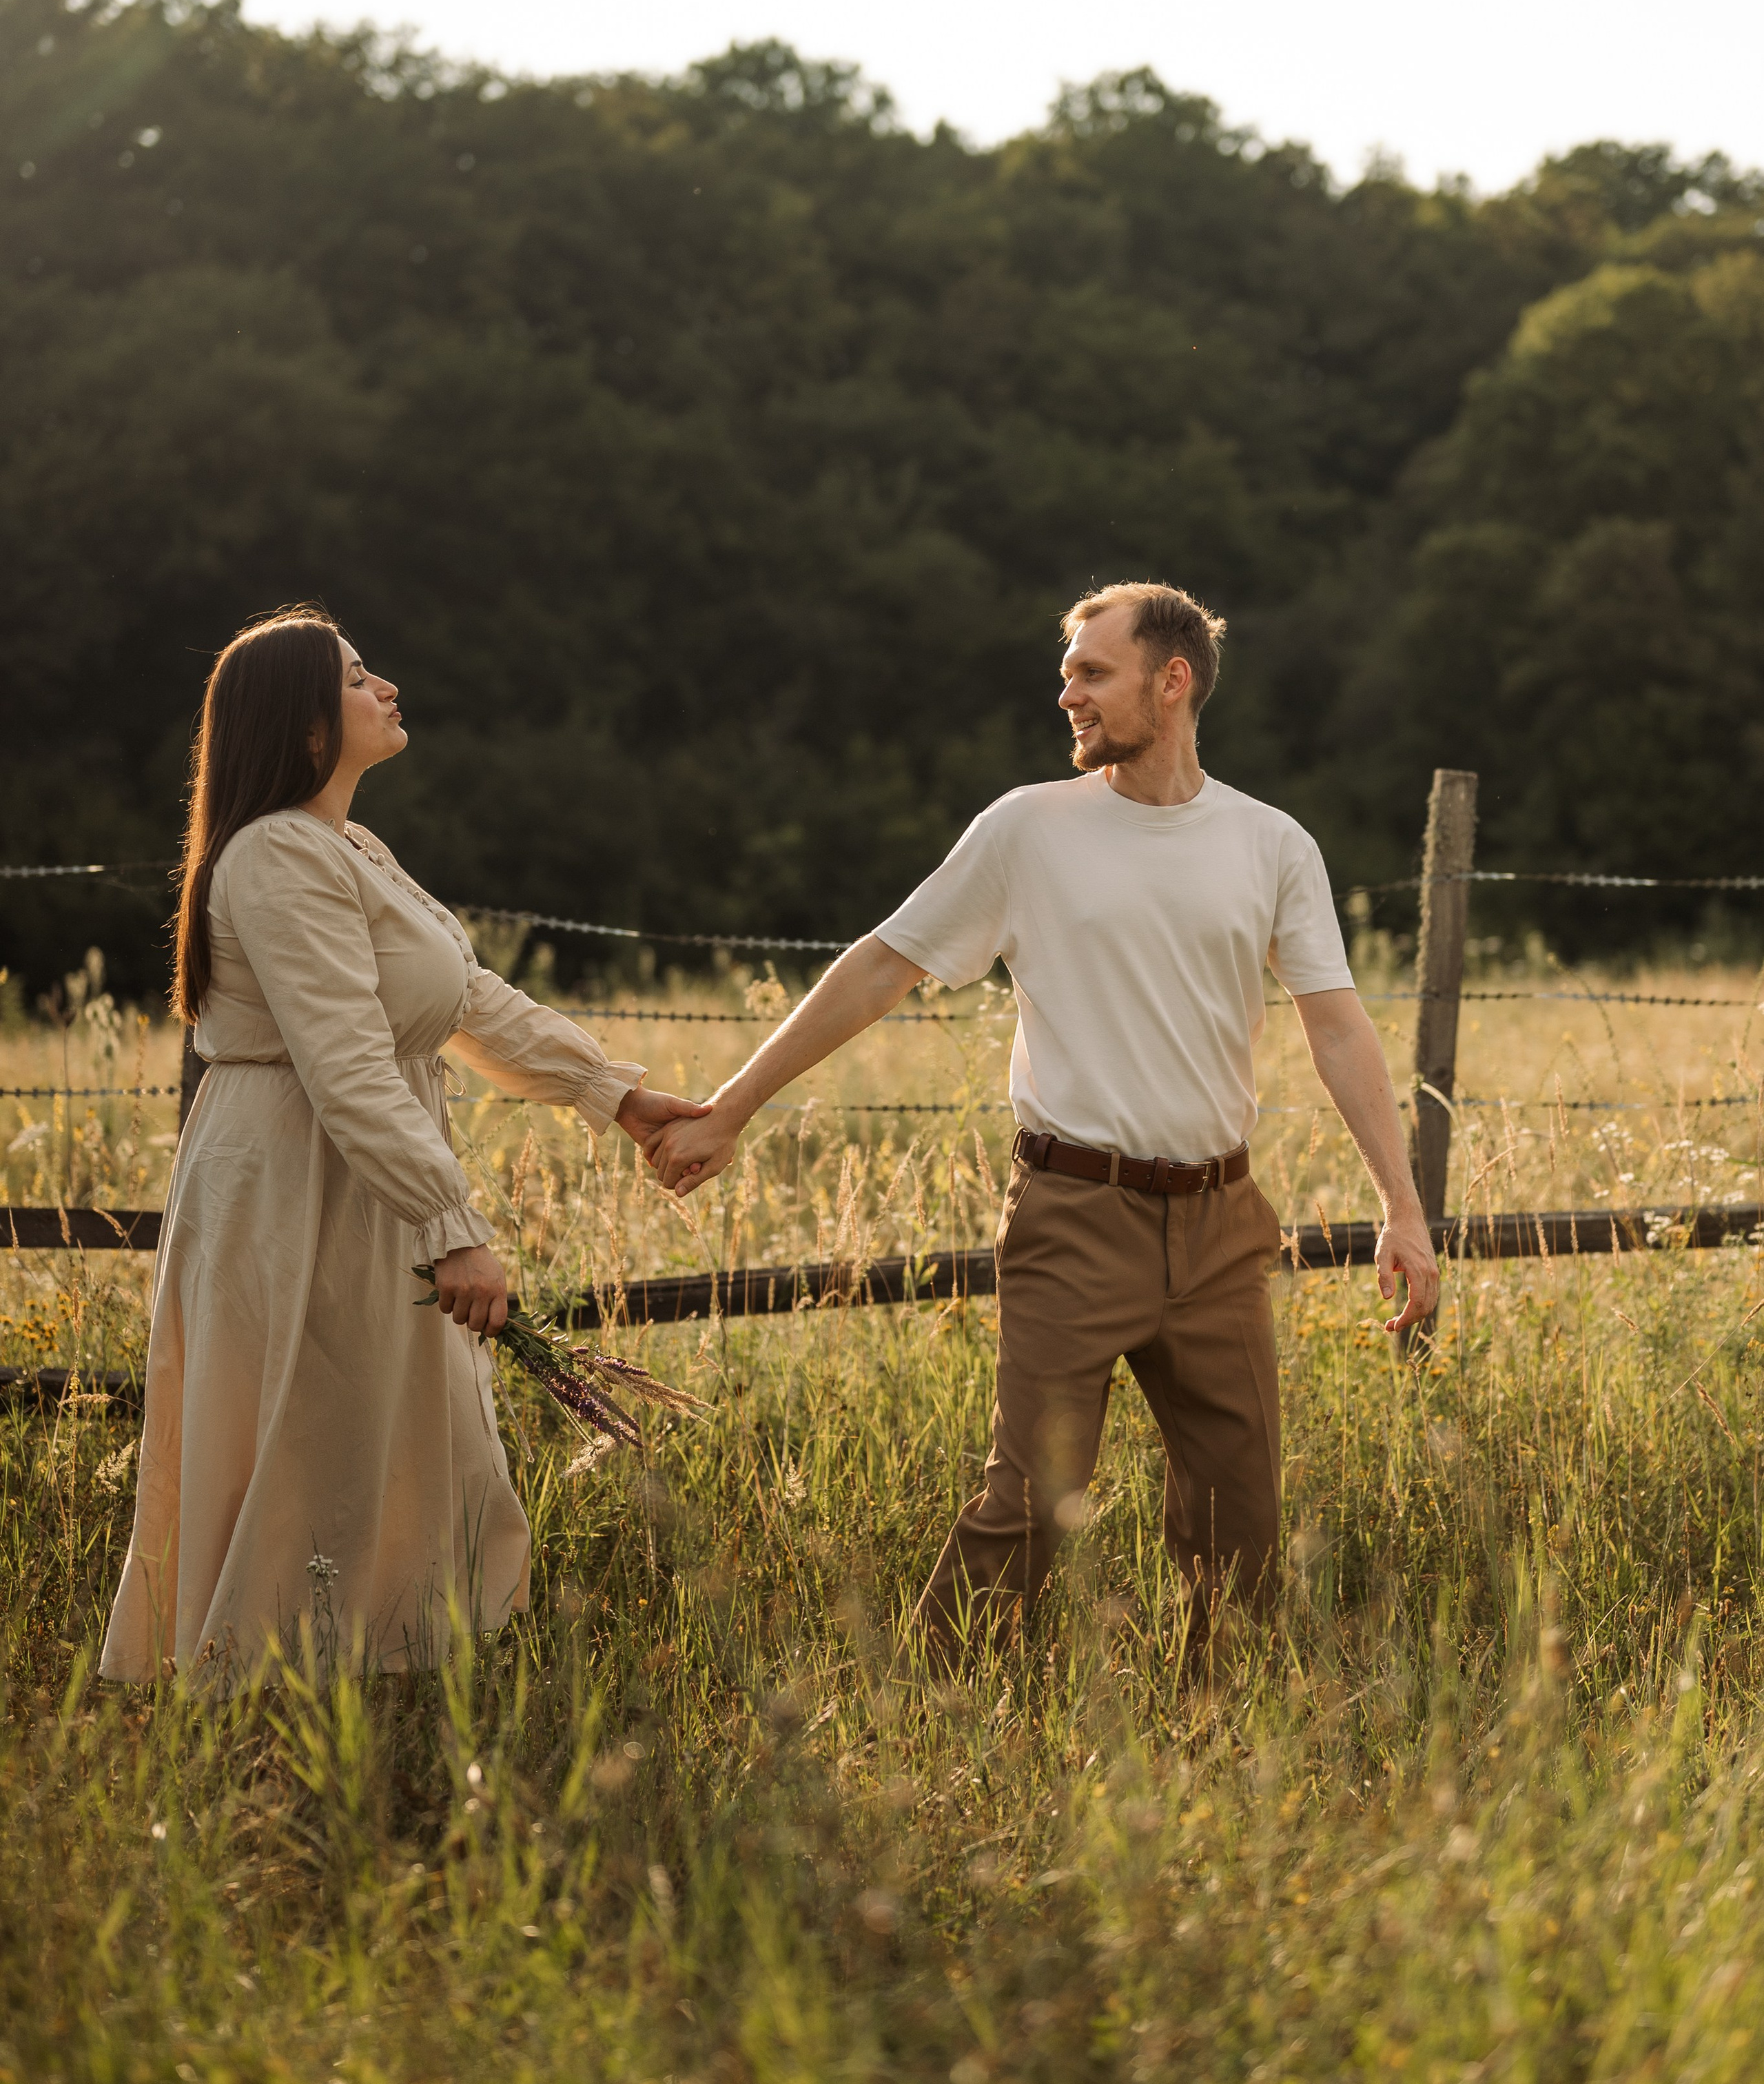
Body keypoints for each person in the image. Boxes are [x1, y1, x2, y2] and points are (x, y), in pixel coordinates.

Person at [645, 580, 1439, 1662]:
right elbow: (881, 967)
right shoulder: (1028, 829)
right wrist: (733, 1107)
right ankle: (932, 1713)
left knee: (1239, 1523)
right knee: (1027, 1506)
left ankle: (1224, 1744)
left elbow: (1340, 1029)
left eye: (1090, 672)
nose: (1065, 691)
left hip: (1220, 1222)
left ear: (1173, 681)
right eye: (1067, 671)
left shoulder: (1272, 844)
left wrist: (1402, 1206)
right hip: (1076, 1213)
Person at [101, 606, 704, 1681]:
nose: (387, 690)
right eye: (357, 678)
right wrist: (450, 1224)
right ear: (303, 725)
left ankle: (388, 1679)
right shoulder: (279, 855)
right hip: (301, 1181)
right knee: (318, 1432)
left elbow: (464, 999)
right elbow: (343, 1063)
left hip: (360, 1169)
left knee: (393, 1428)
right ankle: (276, 1700)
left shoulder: (351, 846)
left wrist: (613, 1094)